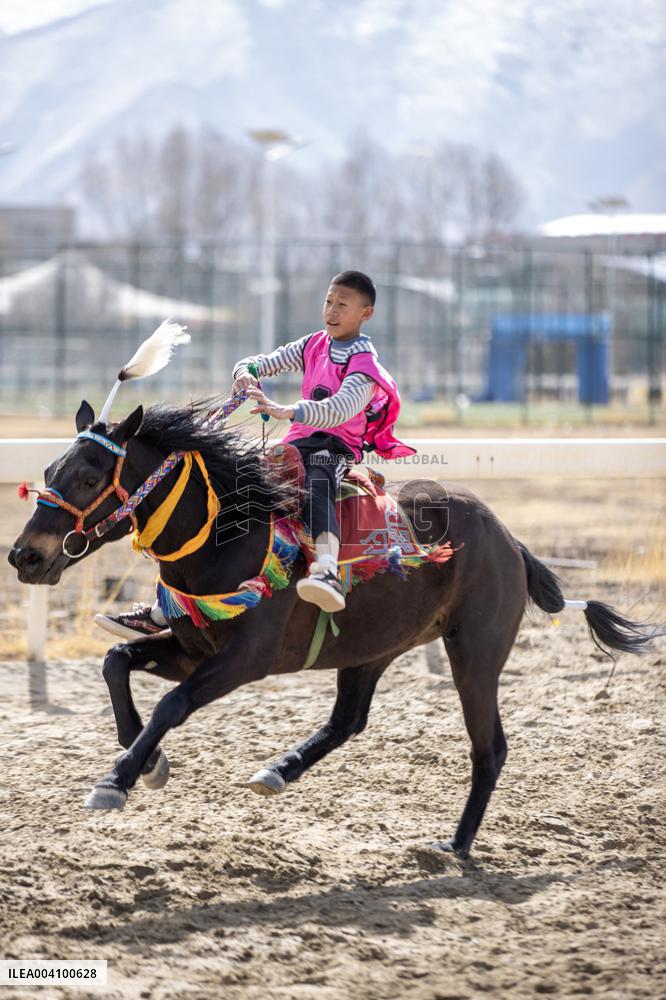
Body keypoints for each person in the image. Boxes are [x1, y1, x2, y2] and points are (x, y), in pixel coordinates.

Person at [94, 270, 414, 641]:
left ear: (365, 314)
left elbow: (340, 409)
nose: (331, 310)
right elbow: (263, 361)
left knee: (319, 482)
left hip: (334, 447)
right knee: (229, 490)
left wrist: (288, 411)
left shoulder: (364, 367)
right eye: (328, 301)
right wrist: (245, 373)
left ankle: (326, 567)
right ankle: (164, 608)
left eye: (343, 304)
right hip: (294, 443)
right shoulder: (313, 344)